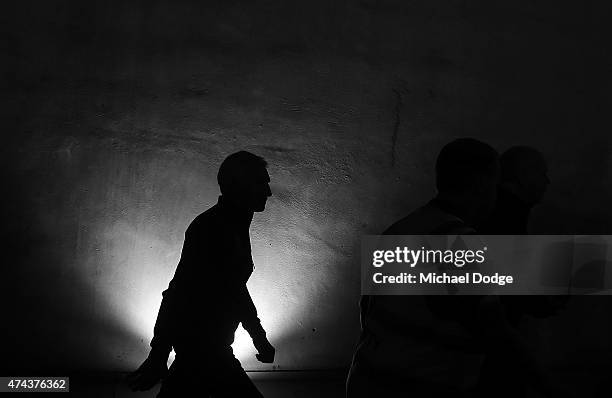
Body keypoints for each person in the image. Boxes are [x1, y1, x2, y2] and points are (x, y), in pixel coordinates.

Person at [128, 151, 276, 397]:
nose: (268, 192)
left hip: (206, 352)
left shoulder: (229, 226)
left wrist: (258, 336)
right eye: (261, 183)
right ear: (238, 185)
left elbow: (234, 288)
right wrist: (158, 354)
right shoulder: (211, 229)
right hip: (204, 353)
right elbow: (177, 293)